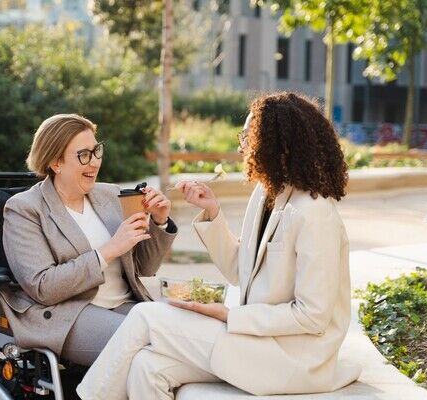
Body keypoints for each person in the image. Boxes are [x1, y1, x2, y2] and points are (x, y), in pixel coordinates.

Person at [76, 92, 361, 399]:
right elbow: (242, 271)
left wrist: (227, 316)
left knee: (146, 315)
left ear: (279, 143)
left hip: (292, 358)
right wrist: (212, 212)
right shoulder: (266, 196)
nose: (241, 145)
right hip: (254, 342)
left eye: (249, 136)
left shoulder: (314, 213)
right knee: (147, 366)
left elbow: (312, 316)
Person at [0, 113, 177, 366]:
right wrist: (107, 251)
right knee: (147, 348)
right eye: (83, 155)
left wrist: (159, 221)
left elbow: (145, 268)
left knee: (181, 336)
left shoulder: (112, 195)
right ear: (55, 162)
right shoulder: (24, 209)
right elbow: (43, 287)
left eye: (96, 152)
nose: (94, 163)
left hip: (123, 305)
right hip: (68, 313)